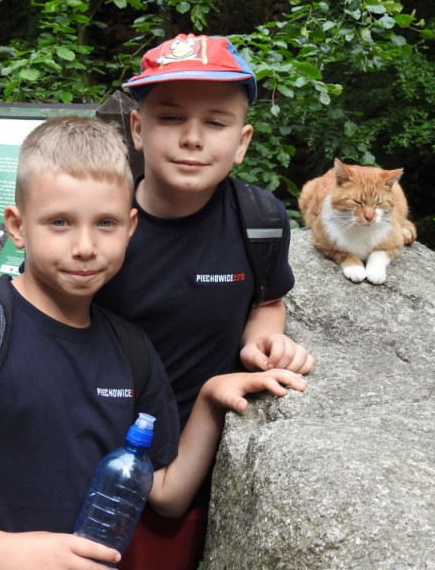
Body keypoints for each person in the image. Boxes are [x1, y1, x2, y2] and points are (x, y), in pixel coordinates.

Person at [0, 115, 307, 570]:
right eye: (60, 222)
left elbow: (166, 495)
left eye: (106, 223)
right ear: (17, 226)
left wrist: (210, 400)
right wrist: (6, 553)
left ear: (131, 227)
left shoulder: (132, 352)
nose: (85, 246)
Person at [94, 33, 315, 569]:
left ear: (241, 142)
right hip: (86, 460)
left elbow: (266, 300)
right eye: (171, 118)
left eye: (216, 122)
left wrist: (264, 341)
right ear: (138, 129)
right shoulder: (97, 223)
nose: (192, 138)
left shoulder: (258, 220)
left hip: (193, 473)